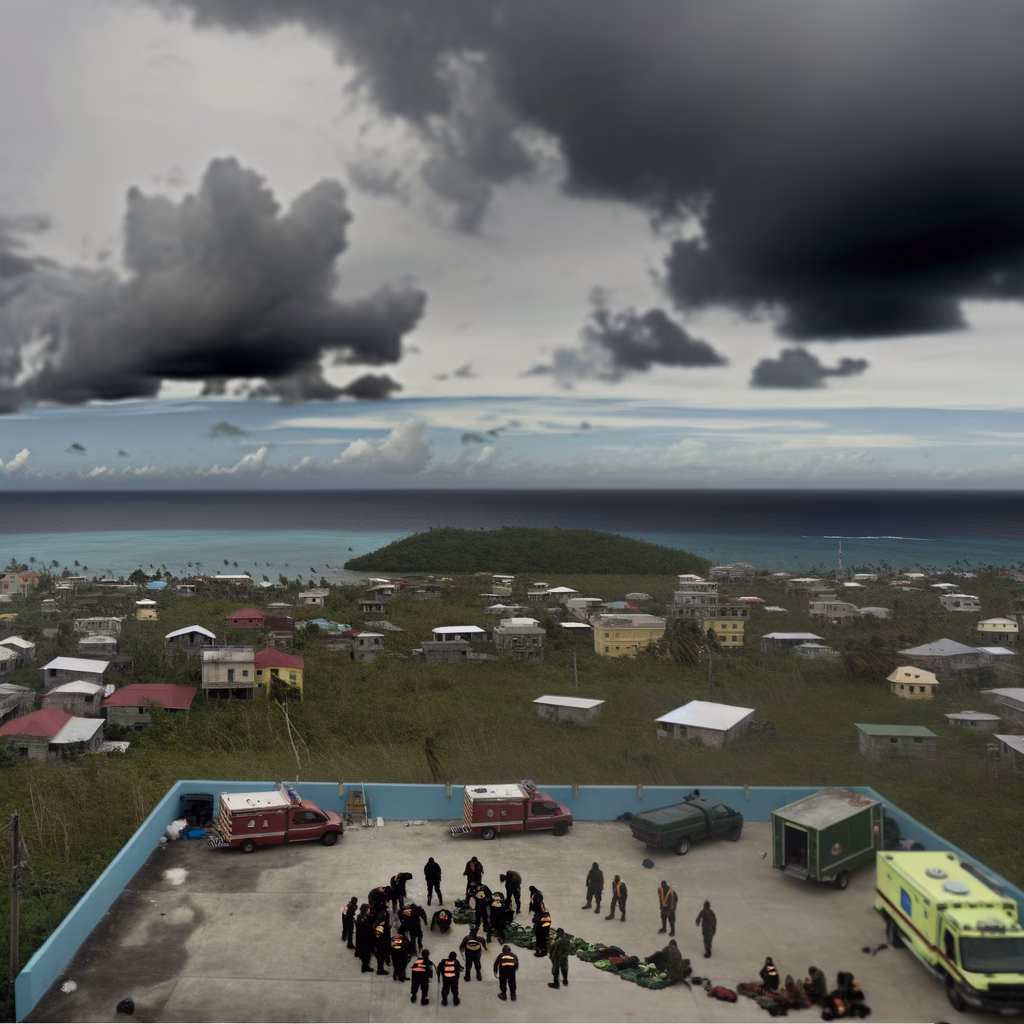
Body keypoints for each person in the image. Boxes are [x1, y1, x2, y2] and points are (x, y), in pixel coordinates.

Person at [354, 904, 374, 973]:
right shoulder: (363, 918)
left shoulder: (362, 916)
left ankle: (365, 966)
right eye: (368, 909)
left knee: (367, 954)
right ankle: (365, 967)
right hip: (365, 939)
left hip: (365, 938)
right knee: (366, 954)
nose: (369, 910)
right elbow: (365, 927)